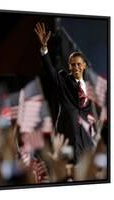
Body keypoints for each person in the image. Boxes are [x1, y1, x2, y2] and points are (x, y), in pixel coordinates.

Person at [34, 22, 94, 163]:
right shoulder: (63, 80)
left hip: (86, 145)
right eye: (72, 65)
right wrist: (44, 49)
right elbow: (50, 71)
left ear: (84, 66)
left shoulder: (89, 88)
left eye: (79, 64)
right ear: (69, 66)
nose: (76, 67)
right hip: (68, 141)